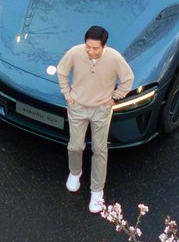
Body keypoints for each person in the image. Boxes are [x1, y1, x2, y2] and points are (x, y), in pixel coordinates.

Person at [57, 25, 134, 213]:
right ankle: (75, 172)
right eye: (88, 47)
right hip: (78, 107)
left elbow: (128, 78)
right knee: (75, 145)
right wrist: (67, 93)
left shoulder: (114, 58)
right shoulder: (76, 53)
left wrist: (115, 98)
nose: (90, 51)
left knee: (99, 149)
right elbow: (61, 71)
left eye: (95, 48)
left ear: (104, 46)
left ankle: (97, 190)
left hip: (101, 109)